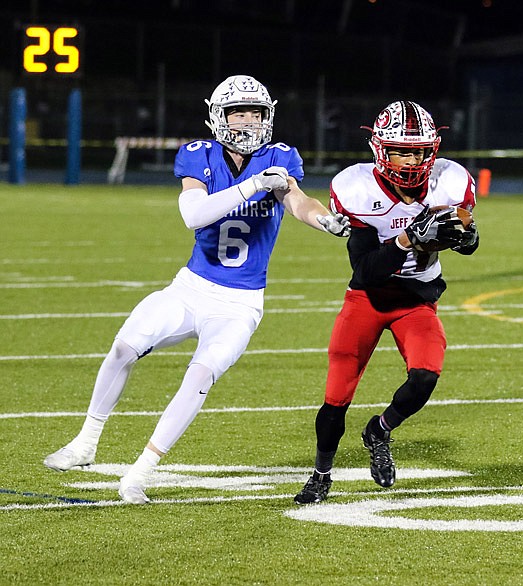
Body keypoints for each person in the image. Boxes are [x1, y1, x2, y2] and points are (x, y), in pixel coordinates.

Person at [43, 74, 351, 503]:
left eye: (256, 113)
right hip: (190, 288)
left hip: (240, 303)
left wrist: (324, 220)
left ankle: (140, 473)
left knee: (200, 375)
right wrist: (253, 185)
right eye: (238, 112)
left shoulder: (281, 157)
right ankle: (86, 443)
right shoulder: (199, 154)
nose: (248, 122)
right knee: (124, 346)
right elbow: (194, 214)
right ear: (218, 117)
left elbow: (298, 200)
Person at [294, 100, 480, 504]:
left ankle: (379, 429)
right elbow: (365, 271)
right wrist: (408, 239)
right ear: (381, 149)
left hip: (417, 299)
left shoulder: (450, 180)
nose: (413, 158)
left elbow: (467, 239)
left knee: (426, 376)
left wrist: (465, 236)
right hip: (368, 298)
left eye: (420, 150)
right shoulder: (355, 188)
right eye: (403, 149)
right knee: (336, 397)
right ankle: (321, 474)